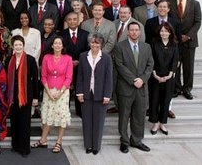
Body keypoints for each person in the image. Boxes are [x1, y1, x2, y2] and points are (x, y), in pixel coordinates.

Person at [113, 22, 154, 153]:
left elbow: (150, 65)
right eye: (132, 30)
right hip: (126, 87)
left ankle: (136, 140)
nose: (134, 32)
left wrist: (142, 79)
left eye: (137, 30)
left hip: (141, 87)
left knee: (139, 116)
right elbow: (119, 65)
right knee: (124, 116)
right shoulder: (119, 46)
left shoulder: (146, 47)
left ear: (140, 32)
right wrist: (133, 80)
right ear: (128, 32)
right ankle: (124, 141)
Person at [33, 36, 73, 154]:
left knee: (62, 116)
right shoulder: (46, 57)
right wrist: (49, 91)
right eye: (55, 43)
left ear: (63, 46)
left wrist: (60, 92)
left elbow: (69, 77)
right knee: (47, 115)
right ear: (52, 45)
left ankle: (59, 141)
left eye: (59, 43)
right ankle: (43, 140)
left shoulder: (68, 59)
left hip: (63, 92)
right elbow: (43, 76)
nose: (57, 45)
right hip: (48, 91)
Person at [75, 33, 113, 155]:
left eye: (97, 42)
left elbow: (109, 78)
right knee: (86, 120)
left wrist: (107, 95)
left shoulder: (106, 58)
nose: (94, 44)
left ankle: (96, 146)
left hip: (101, 94)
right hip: (86, 93)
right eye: (92, 42)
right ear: (89, 43)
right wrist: (79, 92)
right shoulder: (83, 56)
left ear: (101, 44)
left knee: (99, 121)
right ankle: (88, 145)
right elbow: (79, 76)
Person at [5, 35, 39, 157]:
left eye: (20, 44)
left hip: (26, 96)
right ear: (12, 46)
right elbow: (6, 79)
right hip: (12, 96)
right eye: (16, 45)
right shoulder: (9, 60)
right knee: (14, 121)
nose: (18, 47)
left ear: (23, 45)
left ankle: (24, 148)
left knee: (25, 122)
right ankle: (15, 145)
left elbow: (35, 80)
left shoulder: (30, 59)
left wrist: (36, 97)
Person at [168, 0, 202, 100]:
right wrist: (175, 35)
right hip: (175, 40)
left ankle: (187, 89)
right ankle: (177, 88)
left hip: (189, 41)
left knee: (188, 67)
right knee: (175, 66)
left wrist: (188, 35)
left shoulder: (195, 4)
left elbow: (198, 22)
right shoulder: (169, 2)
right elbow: (167, 20)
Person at [149, 22, 179, 135]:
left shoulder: (174, 44)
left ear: (170, 32)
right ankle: (155, 122)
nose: (164, 33)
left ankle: (162, 122)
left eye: (166, 31)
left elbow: (175, 60)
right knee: (155, 100)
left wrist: (170, 74)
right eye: (162, 31)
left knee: (166, 100)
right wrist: (155, 74)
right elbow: (151, 59)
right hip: (155, 76)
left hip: (169, 77)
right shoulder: (154, 42)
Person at [62, 11, 90, 117]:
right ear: (66, 22)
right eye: (70, 19)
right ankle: (65, 112)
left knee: (80, 88)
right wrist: (69, 61)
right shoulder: (61, 34)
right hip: (66, 66)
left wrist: (79, 61)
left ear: (78, 21)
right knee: (66, 89)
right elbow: (61, 50)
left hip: (81, 65)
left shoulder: (85, 34)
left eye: (74, 19)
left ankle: (80, 111)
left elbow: (88, 50)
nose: (72, 21)